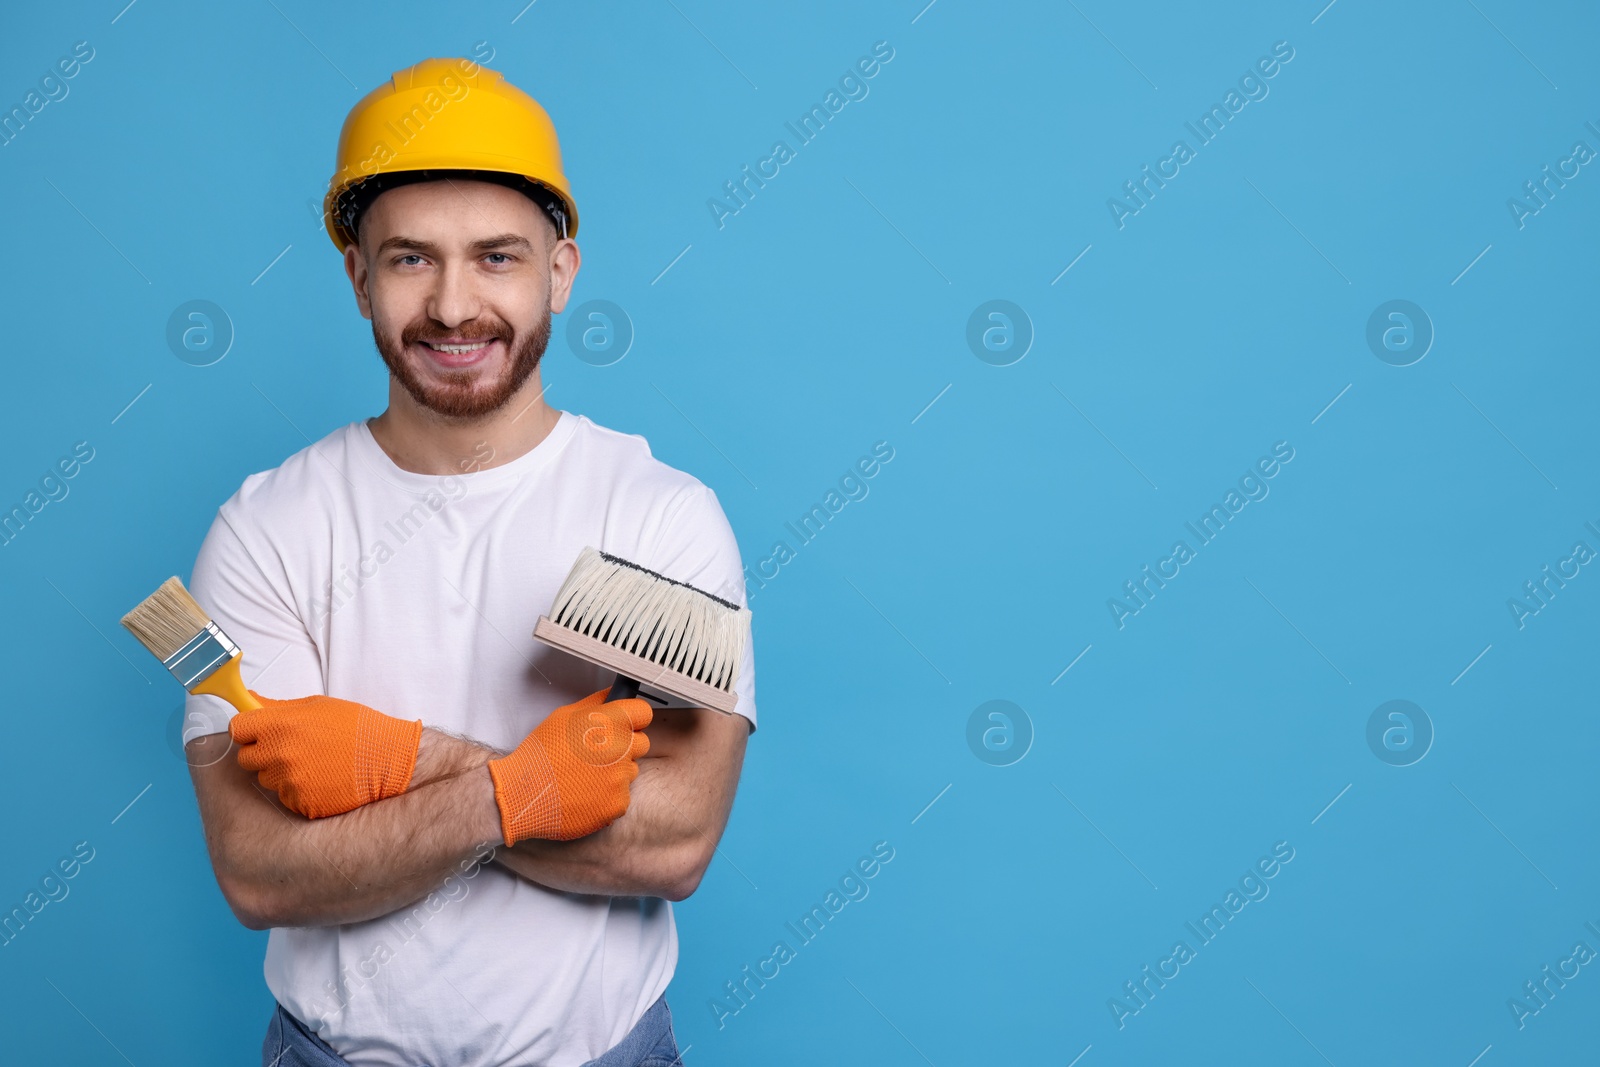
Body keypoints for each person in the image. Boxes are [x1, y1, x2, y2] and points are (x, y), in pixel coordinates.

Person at [180, 56, 756, 1067]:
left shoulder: (657, 515)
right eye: (410, 260)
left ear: (560, 273)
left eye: (496, 257)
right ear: (358, 276)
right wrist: (526, 786)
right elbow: (262, 873)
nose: (452, 308)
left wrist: (407, 763)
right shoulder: (265, 528)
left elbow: (674, 843)